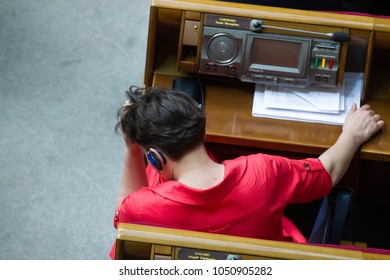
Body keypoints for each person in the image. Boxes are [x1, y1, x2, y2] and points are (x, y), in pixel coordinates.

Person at [109, 86, 384, 259]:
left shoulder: (142, 208)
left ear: (155, 157)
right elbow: (328, 173)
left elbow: (124, 218)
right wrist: (352, 134)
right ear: (199, 128)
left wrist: (131, 148)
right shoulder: (264, 171)